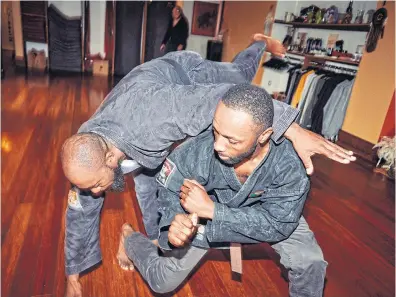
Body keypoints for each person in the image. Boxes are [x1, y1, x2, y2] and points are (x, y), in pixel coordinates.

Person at [61, 34, 354, 297]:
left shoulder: (159, 116)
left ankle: (259, 42)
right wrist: (72, 276)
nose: (97, 193)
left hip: (185, 76)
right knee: (151, 188)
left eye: (98, 185)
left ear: (111, 158)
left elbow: (223, 100)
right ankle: (151, 242)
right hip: (137, 123)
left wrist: (294, 129)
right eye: (93, 185)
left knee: (239, 78)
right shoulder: (87, 152)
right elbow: (80, 210)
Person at [118, 84, 327, 297]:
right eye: (216, 131)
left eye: (232, 140)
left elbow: (278, 224)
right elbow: (168, 185)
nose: (218, 145)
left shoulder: (290, 164)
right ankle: (129, 238)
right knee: (162, 281)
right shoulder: (200, 150)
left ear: (263, 136)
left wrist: (214, 211)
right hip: (204, 212)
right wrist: (175, 221)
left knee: (310, 262)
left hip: (270, 212)